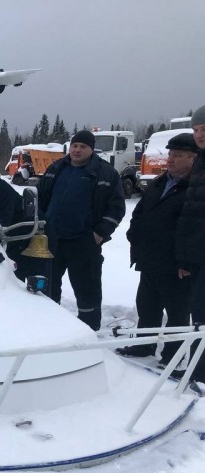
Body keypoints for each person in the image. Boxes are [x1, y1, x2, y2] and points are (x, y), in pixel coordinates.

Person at [118, 133, 198, 368]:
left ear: (193, 159)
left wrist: (187, 261)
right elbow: (140, 212)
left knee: (177, 314)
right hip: (150, 259)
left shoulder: (195, 187)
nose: (170, 160)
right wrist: (134, 237)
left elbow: (195, 228)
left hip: (177, 265)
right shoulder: (160, 182)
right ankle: (144, 346)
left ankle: (172, 358)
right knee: (147, 307)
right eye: (170, 154)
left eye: (178, 156)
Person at [38, 130, 125, 330]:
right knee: (49, 286)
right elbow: (41, 199)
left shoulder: (105, 173)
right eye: (75, 145)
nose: (77, 150)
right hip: (52, 239)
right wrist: (40, 225)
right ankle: (49, 326)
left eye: (83, 146)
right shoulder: (56, 168)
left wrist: (99, 233)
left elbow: (117, 207)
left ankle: (89, 331)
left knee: (87, 290)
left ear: (91, 149)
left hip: (84, 242)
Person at [175, 105, 205, 382]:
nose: (199, 134)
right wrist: (185, 258)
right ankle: (198, 371)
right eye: (196, 129)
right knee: (200, 314)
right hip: (198, 254)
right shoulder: (201, 162)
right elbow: (192, 214)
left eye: (204, 128)